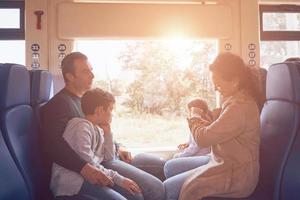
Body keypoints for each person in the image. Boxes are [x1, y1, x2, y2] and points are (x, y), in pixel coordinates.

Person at [41, 52, 164, 200]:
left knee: (157, 173)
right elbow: (54, 146)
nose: (92, 75)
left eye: (91, 70)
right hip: (88, 166)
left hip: (104, 157)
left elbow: (98, 131)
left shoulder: (85, 100)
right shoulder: (58, 105)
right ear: (70, 76)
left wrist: (118, 145)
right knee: (152, 190)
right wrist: (84, 168)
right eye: (86, 71)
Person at [164, 52, 261, 200]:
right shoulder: (234, 100)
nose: (216, 88)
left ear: (234, 81)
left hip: (236, 174)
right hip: (224, 161)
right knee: (170, 167)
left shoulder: (240, 107)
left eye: (218, 83)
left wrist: (195, 117)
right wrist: (209, 123)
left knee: (169, 190)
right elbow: (224, 129)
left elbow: (203, 139)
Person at [51, 88, 142, 200]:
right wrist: (120, 179)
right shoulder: (81, 127)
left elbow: (108, 157)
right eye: (110, 109)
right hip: (72, 185)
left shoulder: (97, 129)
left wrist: (108, 132)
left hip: (88, 179)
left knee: (135, 195)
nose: (112, 114)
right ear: (99, 110)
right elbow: (89, 165)